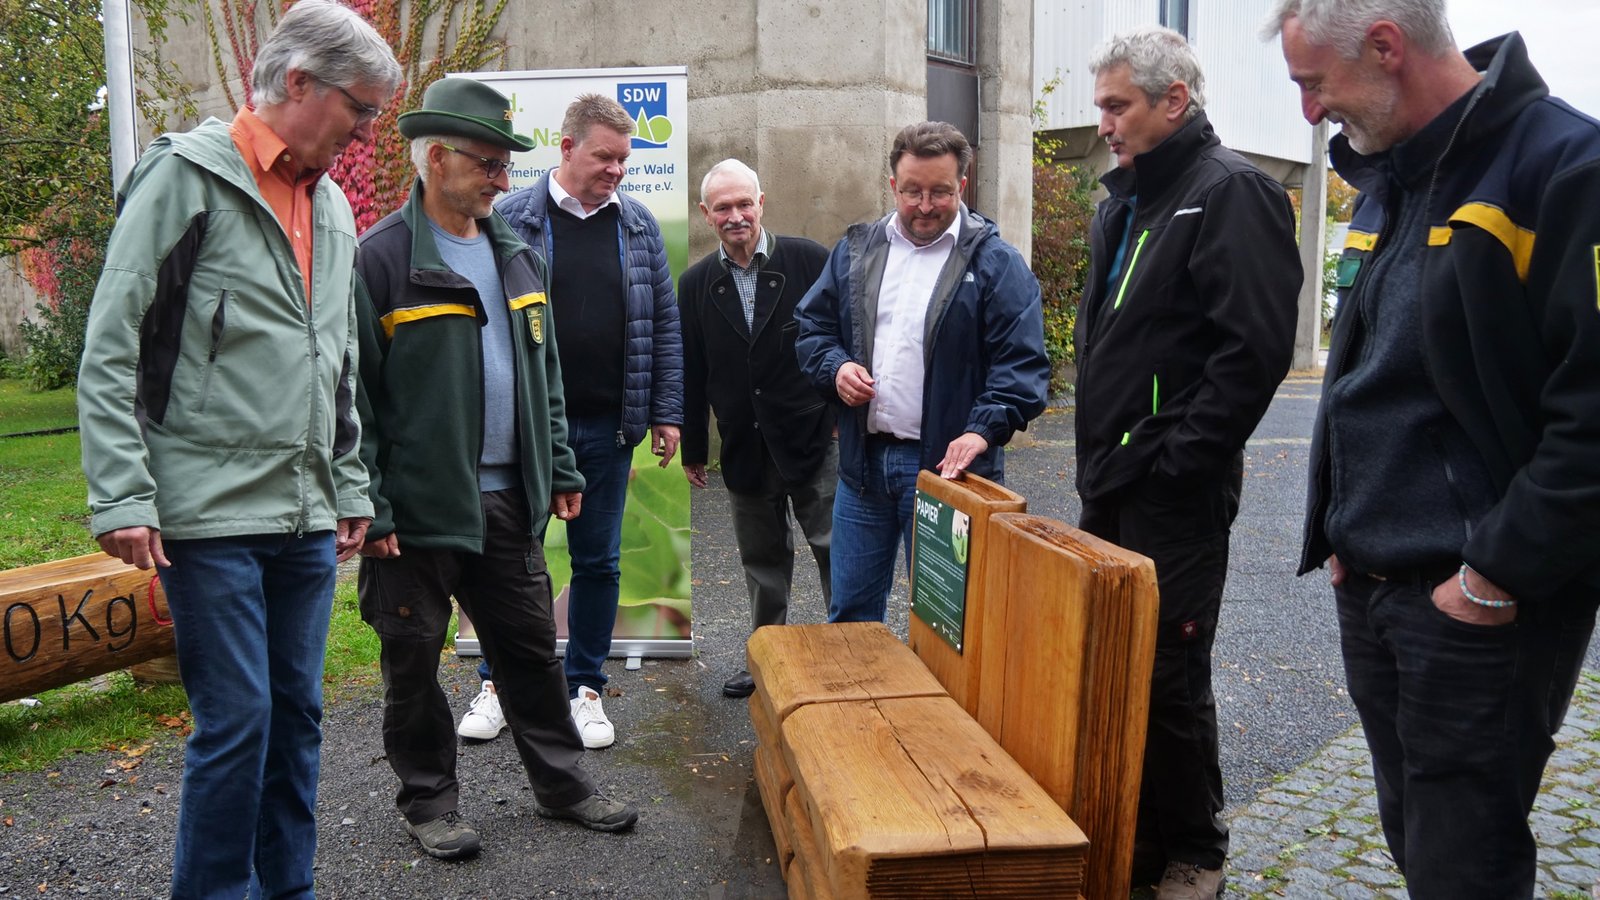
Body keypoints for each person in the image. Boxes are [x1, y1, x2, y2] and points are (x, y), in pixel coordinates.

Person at [1265, 1, 1600, 896]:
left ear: (1386, 47)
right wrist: (1338, 534)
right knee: (1421, 846)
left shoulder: (1566, 167)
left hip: (1481, 605)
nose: (1309, 112)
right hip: (1374, 590)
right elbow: (1368, 374)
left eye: (1314, 85)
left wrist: (1494, 576)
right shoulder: (1390, 177)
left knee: (1467, 867)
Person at [74, 2, 398, 895]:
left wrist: (351, 481)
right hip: (203, 513)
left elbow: (335, 360)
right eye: (360, 110)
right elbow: (114, 342)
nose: (368, 131)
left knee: (297, 713)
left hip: (302, 514)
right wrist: (122, 493)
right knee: (240, 719)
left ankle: (285, 887)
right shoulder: (183, 179)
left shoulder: (331, 204)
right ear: (299, 82)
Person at [352, 78, 640, 860]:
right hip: (416, 513)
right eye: (486, 162)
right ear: (436, 158)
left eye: (506, 164)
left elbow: (541, 380)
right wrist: (370, 506)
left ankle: (562, 786)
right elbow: (355, 401)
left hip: (510, 500)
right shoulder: (380, 260)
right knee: (411, 665)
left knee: (528, 654)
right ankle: (430, 802)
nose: (501, 179)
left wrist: (563, 467)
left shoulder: (514, 254)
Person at [1071, 27, 1301, 899]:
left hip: (1173, 491)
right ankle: (1137, 835)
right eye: (1100, 107)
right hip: (1110, 482)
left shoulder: (1232, 191)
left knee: (1170, 669)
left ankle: (1195, 850)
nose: (1106, 125)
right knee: (1120, 662)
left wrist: (1177, 463)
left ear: (1176, 100)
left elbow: (1252, 354)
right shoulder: (1121, 201)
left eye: (1118, 106)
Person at [482, 93, 683, 750]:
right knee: (513, 560)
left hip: (608, 428)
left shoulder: (641, 227)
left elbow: (664, 327)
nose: (618, 170)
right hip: (526, 432)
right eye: (605, 157)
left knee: (598, 562)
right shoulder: (510, 218)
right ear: (567, 149)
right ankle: (496, 682)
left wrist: (665, 412)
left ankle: (585, 688)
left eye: (625, 159)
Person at [793, 121, 1050, 624]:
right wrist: (836, 366)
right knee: (850, 616)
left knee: (948, 624)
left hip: (950, 475)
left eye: (940, 191)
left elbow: (1021, 365)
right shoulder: (856, 251)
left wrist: (982, 430)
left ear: (963, 186)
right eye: (912, 191)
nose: (925, 205)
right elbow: (811, 328)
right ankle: (860, 706)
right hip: (861, 470)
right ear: (893, 185)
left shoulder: (997, 264)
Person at [678, 159, 835, 698]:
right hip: (745, 443)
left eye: (745, 203)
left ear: (762, 202)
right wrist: (694, 447)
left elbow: (844, 341)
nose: (736, 216)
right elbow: (692, 370)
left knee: (834, 548)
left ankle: (851, 652)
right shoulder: (697, 283)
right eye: (723, 207)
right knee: (763, 562)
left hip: (813, 436)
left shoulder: (810, 260)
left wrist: (840, 419)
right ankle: (768, 656)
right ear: (706, 214)